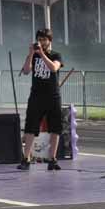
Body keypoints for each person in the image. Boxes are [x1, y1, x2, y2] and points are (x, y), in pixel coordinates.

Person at [17, 28, 64, 171]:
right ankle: (26, 158)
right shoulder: (34, 56)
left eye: (44, 39)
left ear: (49, 41)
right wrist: (31, 54)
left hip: (53, 96)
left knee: (55, 128)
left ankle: (52, 158)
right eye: (40, 39)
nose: (41, 42)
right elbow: (25, 71)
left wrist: (42, 54)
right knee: (31, 127)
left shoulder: (56, 55)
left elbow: (53, 68)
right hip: (36, 96)